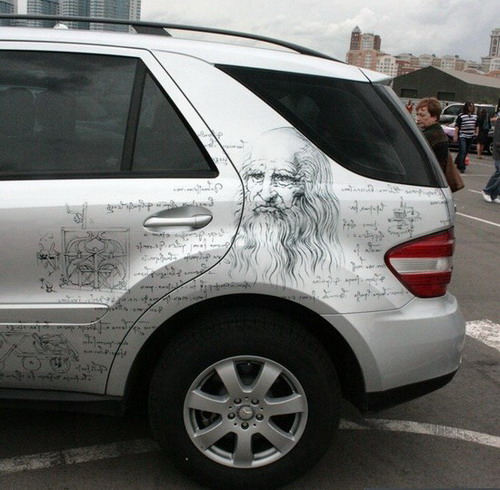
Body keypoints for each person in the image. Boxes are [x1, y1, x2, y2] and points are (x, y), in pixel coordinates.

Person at [230, 127, 343, 285]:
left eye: (282, 178)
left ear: (308, 188)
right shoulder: (234, 259)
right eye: (256, 175)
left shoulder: (329, 266)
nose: (266, 193)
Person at [415, 97, 449, 172]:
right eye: (417, 115)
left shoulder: (430, 135)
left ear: (434, 117)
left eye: (422, 115)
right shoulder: (439, 133)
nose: (418, 118)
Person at [453, 102, 478, 173]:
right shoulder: (461, 116)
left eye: (472, 106)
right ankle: (462, 166)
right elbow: (457, 126)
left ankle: (457, 162)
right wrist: (455, 135)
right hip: (463, 135)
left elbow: (476, 125)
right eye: (470, 106)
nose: (471, 108)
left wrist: (476, 132)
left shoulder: (475, 116)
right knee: (463, 150)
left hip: (470, 136)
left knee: (465, 151)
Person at [482, 119, 500, 203]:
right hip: (498, 152)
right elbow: (497, 139)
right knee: (499, 171)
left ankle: (494, 194)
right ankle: (487, 190)